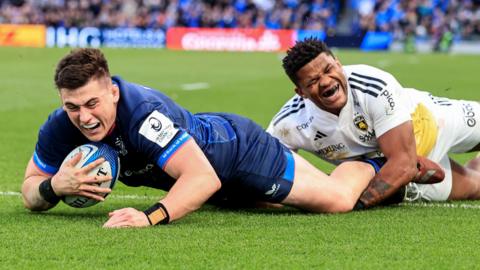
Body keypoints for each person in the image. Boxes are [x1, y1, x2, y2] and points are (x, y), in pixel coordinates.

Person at [22, 48, 389, 228]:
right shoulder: (61, 125)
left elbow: (202, 177)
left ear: (113, 93)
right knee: (265, 208)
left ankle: (369, 161)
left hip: (240, 154)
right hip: (209, 167)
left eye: (92, 103)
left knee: (337, 200)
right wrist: (54, 186)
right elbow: (30, 188)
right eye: (73, 107)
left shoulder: (143, 115)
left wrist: (148, 218)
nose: (84, 118)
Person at [267, 38, 480, 209]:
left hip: (429, 120)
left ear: (339, 63)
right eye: (312, 81)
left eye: (328, 69)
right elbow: (264, 174)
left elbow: (404, 164)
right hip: (395, 165)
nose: (325, 82)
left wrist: (347, 200)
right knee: (475, 188)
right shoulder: (288, 124)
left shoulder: (372, 85)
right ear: (301, 92)